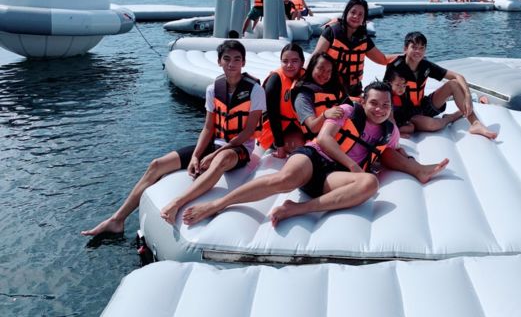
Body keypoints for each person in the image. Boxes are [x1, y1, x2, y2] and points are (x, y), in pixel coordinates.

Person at [180, 81, 450, 227]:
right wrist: (352, 166)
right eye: (374, 103)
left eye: (386, 105)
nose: (380, 109)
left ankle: (297, 209)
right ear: (363, 101)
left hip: (333, 179)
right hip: (314, 157)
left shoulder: (390, 131)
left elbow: (393, 152)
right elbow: (324, 139)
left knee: (370, 183)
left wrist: (414, 165)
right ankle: (216, 205)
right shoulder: (347, 111)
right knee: (284, 180)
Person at [81, 40, 265, 236]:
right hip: (216, 144)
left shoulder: (255, 90)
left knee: (221, 159)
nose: (231, 64)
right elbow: (208, 128)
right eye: (226, 59)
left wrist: (213, 155)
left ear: (244, 62)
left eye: (237, 59)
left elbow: (248, 132)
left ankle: (177, 203)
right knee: (157, 165)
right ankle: (117, 220)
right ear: (219, 61)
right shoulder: (213, 89)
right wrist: (196, 156)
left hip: (239, 149)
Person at [385, 32, 497, 139]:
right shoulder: (395, 67)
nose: (418, 51)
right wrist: (391, 123)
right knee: (434, 125)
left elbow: (457, 76)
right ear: (405, 49)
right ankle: (450, 117)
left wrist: (468, 97)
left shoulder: (426, 66)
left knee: (453, 84)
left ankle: (475, 123)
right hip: (406, 114)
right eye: (414, 47)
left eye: (421, 48)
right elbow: (385, 92)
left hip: (422, 105)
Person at [312, 0, 394, 98]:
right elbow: (315, 57)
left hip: (354, 90)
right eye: (353, 12)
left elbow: (382, 59)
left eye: (360, 14)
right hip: (330, 87)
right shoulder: (331, 32)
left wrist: (405, 55)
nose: (356, 16)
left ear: (364, 19)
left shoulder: (364, 38)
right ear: (346, 12)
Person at [258, 44, 306, 158]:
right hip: (277, 127)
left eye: (294, 61)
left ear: (302, 62)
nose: (289, 65)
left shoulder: (308, 77)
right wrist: (280, 147)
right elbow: (273, 116)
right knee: (298, 145)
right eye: (285, 61)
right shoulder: (274, 81)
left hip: (299, 125)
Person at [292, 52, 347, 138]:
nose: (325, 74)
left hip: (341, 133)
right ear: (312, 68)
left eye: (329, 71)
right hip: (318, 140)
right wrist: (324, 115)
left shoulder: (334, 88)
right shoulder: (303, 96)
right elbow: (313, 128)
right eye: (321, 69)